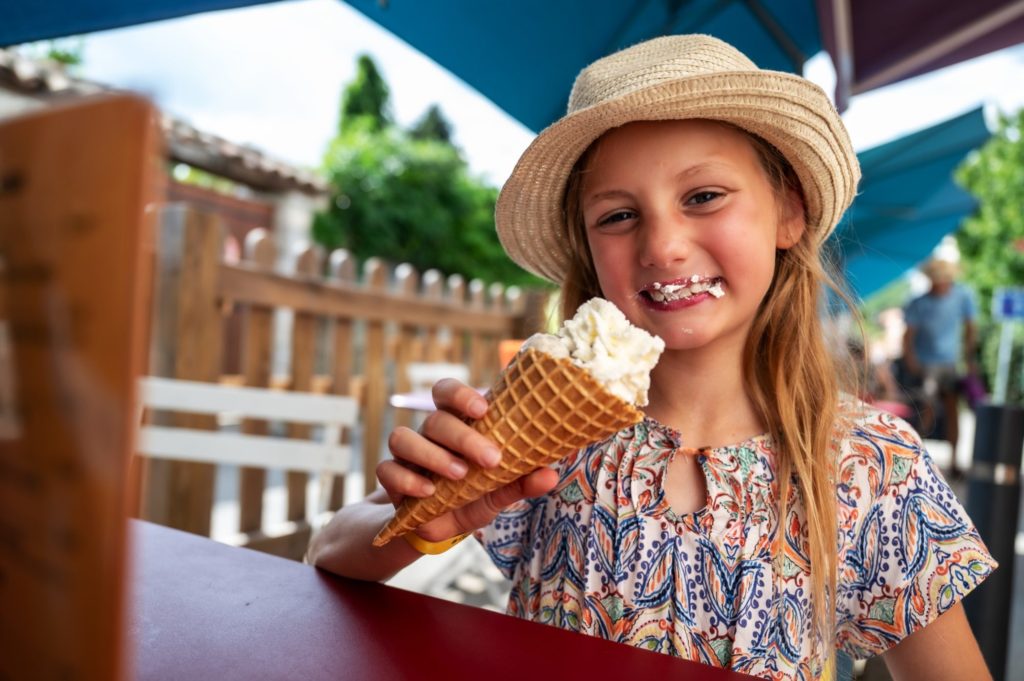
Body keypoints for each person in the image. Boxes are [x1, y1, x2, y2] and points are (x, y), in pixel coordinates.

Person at [308, 35, 996, 680]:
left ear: (788, 211)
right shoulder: (544, 438)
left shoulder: (871, 467)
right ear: (588, 250)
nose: (663, 244)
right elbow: (330, 549)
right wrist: (419, 524)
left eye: (703, 196)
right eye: (617, 215)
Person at [902, 258, 979, 479]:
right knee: (926, 408)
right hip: (927, 364)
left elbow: (970, 328)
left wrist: (970, 358)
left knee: (952, 410)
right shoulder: (919, 302)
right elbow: (908, 335)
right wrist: (911, 360)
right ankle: (918, 458)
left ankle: (955, 461)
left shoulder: (963, 295)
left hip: (950, 363)